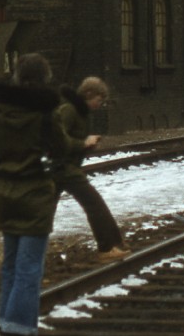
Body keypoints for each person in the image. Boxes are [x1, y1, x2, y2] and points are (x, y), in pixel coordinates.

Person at [0, 53, 66, 336]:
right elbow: (58, 147)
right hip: (34, 194)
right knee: (29, 269)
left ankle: (7, 330)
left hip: (2, 193)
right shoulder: (47, 112)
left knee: (10, 266)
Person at [55, 77, 130, 260]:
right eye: (98, 99)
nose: (100, 104)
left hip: (65, 169)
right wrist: (83, 143)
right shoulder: (69, 110)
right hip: (61, 169)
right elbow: (56, 140)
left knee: (44, 212)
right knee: (94, 204)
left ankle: (114, 243)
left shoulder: (81, 112)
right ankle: (108, 247)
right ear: (88, 95)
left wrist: (87, 145)